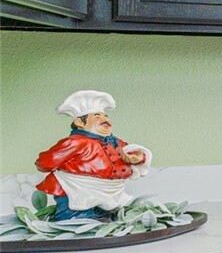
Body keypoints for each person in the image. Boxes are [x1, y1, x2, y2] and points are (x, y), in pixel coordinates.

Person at [33, 91, 152, 220]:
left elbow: (130, 151)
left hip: (109, 190)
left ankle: (103, 215)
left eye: (106, 116)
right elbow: (45, 162)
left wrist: (139, 157)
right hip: (77, 187)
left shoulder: (116, 142)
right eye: (97, 116)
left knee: (108, 214)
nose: (105, 119)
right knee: (75, 215)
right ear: (79, 122)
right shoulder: (75, 142)